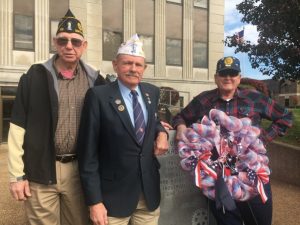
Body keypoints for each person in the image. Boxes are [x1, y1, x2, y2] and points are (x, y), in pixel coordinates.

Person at [7, 9, 105, 225]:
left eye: (75, 42)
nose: (69, 46)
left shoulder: (96, 81)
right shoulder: (34, 76)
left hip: (79, 173)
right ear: (55, 42)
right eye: (63, 40)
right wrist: (16, 175)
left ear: (84, 46)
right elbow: (17, 127)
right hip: (41, 170)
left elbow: (119, 111)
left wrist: (157, 125)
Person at [172, 56, 293, 225]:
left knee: (260, 220)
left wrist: (262, 139)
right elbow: (180, 116)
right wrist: (181, 127)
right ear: (216, 78)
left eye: (232, 73)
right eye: (223, 74)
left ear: (239, 78)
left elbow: (285, 117)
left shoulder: (254, 98)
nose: (228, 78)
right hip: (218, 178)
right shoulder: (203, 100)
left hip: (252, 173)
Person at [77, 34, 169, 225]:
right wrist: (94, 202)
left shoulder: (152, 92)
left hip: (148, 195)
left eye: (138, 65)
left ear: (145, 68)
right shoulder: (98, 96)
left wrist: (162, 132)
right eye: (127, 63)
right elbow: (88, 153)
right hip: (112, 199)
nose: (133, 69)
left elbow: (151, 121)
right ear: (115, 65)